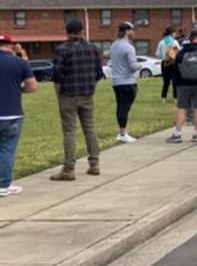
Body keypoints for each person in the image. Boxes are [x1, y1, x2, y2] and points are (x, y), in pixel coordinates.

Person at [50, 20, 103, 181]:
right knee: (90, 128)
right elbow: (99, 73)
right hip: (87, 94)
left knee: (69, 131)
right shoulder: (92, 48)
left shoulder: (62, 49)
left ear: (66, 31)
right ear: (82, 31)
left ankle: (69, 168)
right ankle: (94, 164)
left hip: (68, 94)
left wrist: (58, 93)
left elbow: (57, 75)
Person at [0, 35, 38, 198]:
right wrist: (18, 90)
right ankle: (3, 184)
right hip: (11, 112)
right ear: (11, 45)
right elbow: (32, 86)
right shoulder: (20, 63)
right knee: (7, 149)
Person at [166, 30, 197, 144]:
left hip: (184, 85)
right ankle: (196, 134)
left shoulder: (181, 53)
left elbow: (175, 71)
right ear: (196, 39)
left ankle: (177, 134)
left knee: (181, 108)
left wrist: (177, 85)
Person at [109, 22, 140, 143]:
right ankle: (123, 133)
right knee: (125, 107)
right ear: (127, 31)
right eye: (132, 30)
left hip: (116, 81)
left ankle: (121, 131)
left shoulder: (114, 45)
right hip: (128, 81)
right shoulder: (129, 47)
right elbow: (133, 66)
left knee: (120, 106)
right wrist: (140, 65)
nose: (134, 32)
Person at [156, 27, 179, 102]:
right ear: (172, 33)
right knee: (175, 81)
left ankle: (163, 97)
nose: (175, 34)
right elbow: (179, 52)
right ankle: (176, 98)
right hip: (173, 63)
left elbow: (158, 54)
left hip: (164, 63)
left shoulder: (161, 42)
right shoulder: (174, 42)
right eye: (175, 33)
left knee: (166, 81)